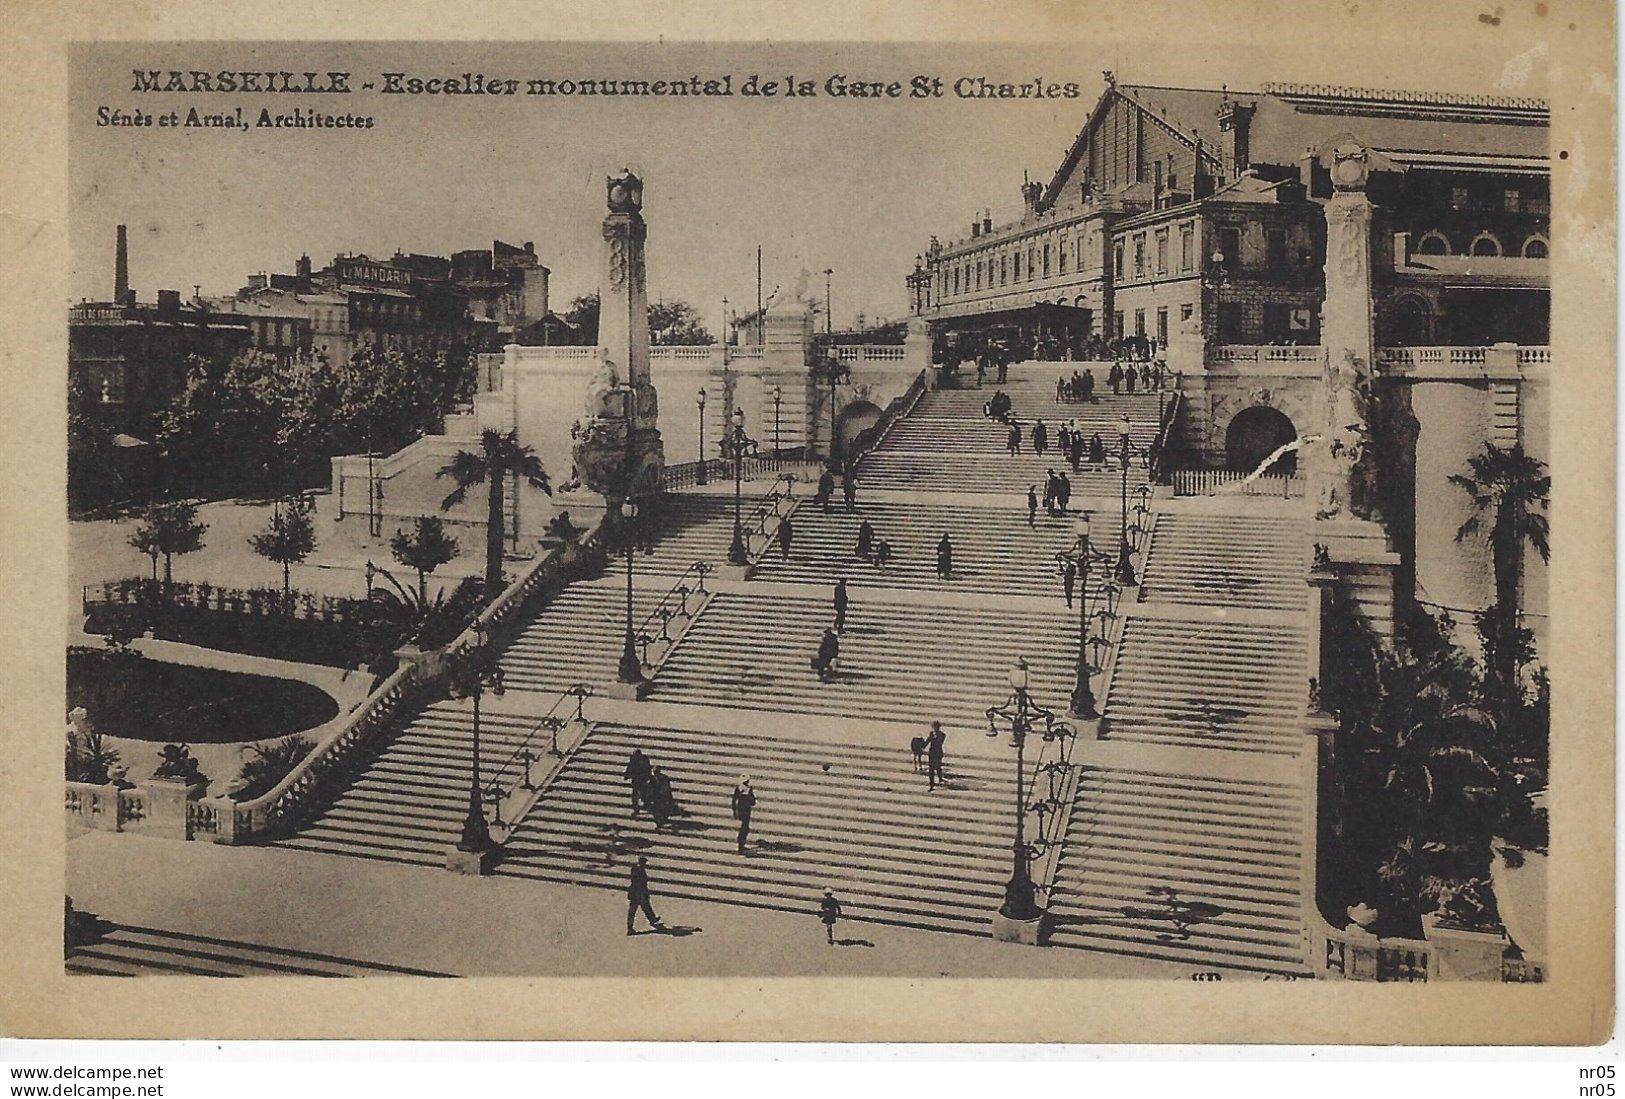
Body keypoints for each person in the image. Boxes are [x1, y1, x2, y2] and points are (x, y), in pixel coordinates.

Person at [627, 856, 663, 935]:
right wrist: (645, 893)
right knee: (638, 909)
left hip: (635, 892)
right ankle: (630, 928)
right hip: (639, 893)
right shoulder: (640, 870)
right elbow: (642, 883)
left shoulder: (635, 869)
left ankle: (652, 920)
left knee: (643, 908)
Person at [623, 747, 652, 818]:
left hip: (642, 780)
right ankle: (636, 809)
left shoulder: (644, 759)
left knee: (643, 793)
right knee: (635, 796)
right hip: (636, 780)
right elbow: (630, 767)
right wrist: (626, 775)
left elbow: (648, 768)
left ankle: (646, 805)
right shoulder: (633, 759)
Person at [730, 776, 756, 854]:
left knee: (744, 828)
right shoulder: (748, 789)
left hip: (742, 810)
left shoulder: (738, 789)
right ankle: (741, 846)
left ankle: (741, 845)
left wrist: (735, 811)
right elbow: (753, 802)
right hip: (745, 811)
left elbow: (734, 801)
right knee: (744, 828)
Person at [648, 765, 677, 833]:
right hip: (655, 797)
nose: (653, 774)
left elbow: (668, 788)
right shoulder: (650, 779)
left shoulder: (665, 778)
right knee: (655, 811)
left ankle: (663, 820)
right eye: (653, 772)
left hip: (663, 797)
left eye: (655, 772)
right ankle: (658, 823)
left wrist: (669, 797)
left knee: (664, 810)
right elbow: (648, 789)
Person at [925, 721, 947, 790]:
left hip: (938, 753)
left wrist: (935, 737)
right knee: (931, 769)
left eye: (936, 727)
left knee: (938, 767)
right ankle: (931, 784)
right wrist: (922, 746)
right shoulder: (931, 734)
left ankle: (940, 778)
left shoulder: (942, 735)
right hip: (932, 753)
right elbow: (928, 741)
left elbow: (940, 742)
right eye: (934, 727)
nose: (935, 728)